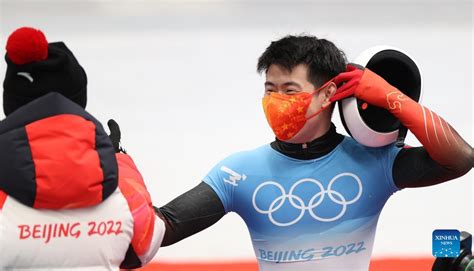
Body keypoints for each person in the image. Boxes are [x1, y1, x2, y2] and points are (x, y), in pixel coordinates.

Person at [154, 35, 473, 271]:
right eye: (270, 90)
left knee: (457, 257)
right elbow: (162, 228)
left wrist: (391, 97)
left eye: (289, 91)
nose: (276, 101)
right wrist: (118, 173)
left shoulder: (373, 161)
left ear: (327, 95)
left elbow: (460, 159)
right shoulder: (239, 172)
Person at [0, 27, 164, 270]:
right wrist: (120, 163)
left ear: (11, 104)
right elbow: (147, 239)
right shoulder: (121, 191)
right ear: (79, 103)